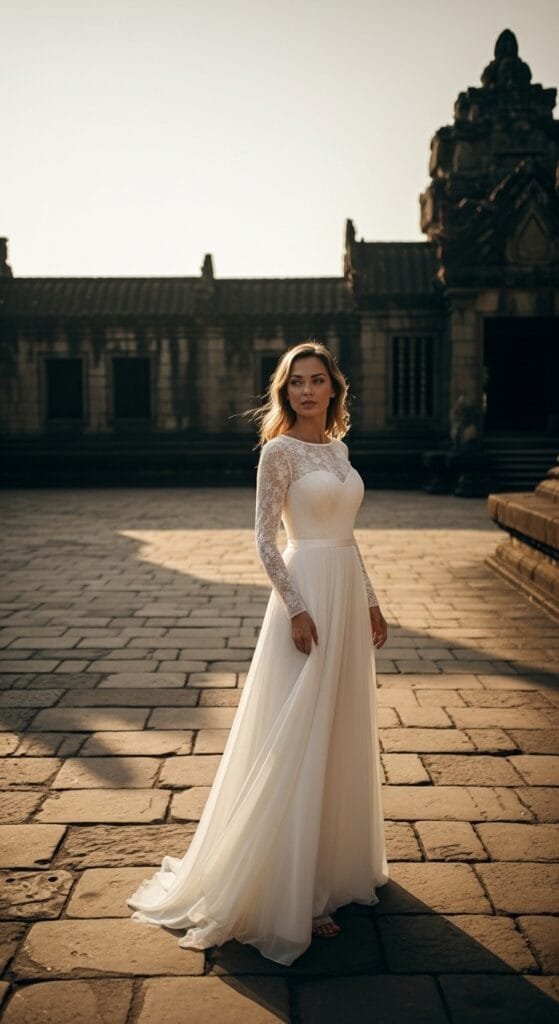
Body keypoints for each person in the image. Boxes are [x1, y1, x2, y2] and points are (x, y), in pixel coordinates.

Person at [128, 340, 389, 966]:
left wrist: (372, 600)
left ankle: (336, 867)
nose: (306, 390)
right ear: (284, 390)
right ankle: (296, 890)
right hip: (306, 596)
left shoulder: (339, 450)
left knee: (339, 728)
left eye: (317, 380)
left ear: (334, 388)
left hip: (345, 590)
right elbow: (266, 539)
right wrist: (297, 607)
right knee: (297, 729)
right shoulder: (279, 451)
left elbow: (348, 538)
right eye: (296, 381)